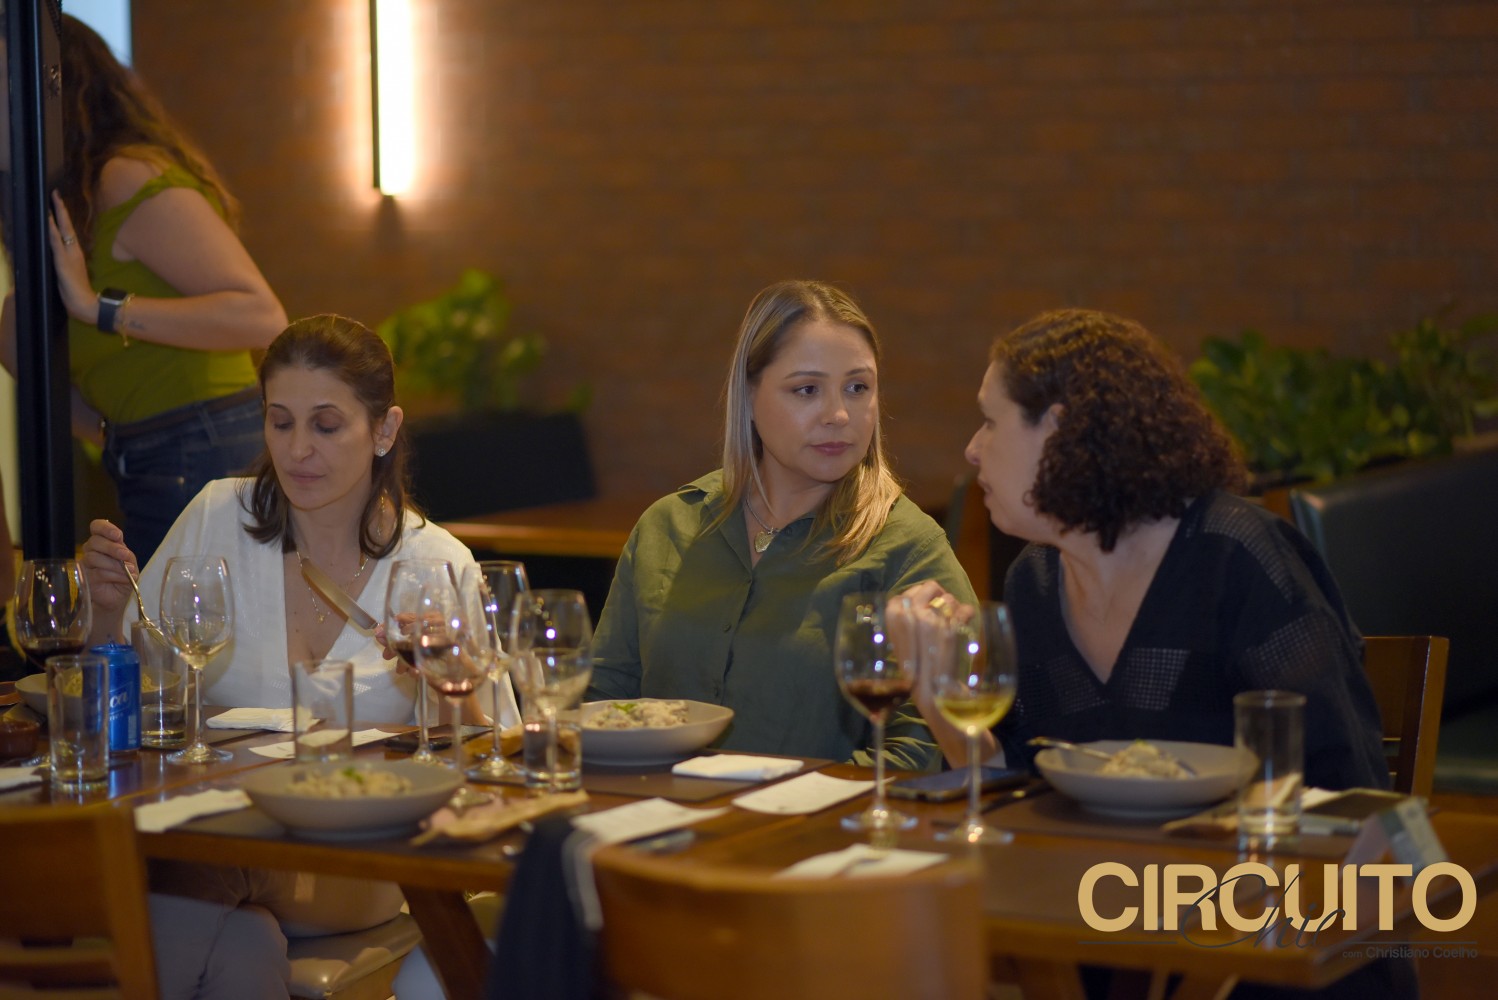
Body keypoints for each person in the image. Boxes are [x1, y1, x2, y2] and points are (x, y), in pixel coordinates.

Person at [906, 308, 1408, 1000]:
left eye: (990, 422)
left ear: (1058, 430)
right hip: (1105, 931)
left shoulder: (1236, 557)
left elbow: (1346, 786)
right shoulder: (1034, 583)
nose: (971, 449)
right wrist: (941, 700)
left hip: (1277, 941)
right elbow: (1016, 795)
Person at [81, 314, 520, 1000]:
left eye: (326, 425)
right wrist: (107, 611)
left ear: (384, 430)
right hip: (217, 833)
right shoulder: (217, 517)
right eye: (279, 422)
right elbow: (128, 691)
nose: (297, 450)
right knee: (242, 945)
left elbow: (498, 767)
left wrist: (446, 685)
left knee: (194, 867)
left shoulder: (436, 564)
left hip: (365, 862)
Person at [587, 279, 976, 768]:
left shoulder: (909, 548)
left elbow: (924, 758)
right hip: (651, 809)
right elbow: (603, 703)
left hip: (824, 817)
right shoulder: (669, 525)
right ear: (749, 396)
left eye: (858, 388)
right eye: (807, 390)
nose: (838, 414)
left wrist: (779, 801)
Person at [0, 15, 287, 567]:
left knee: (181, 618)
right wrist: (113, 435)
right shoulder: (65, 205)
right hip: (146, 452)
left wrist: (99, 309)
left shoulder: (123, 178)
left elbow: (260, 314)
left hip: (207, 441)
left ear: (57, 89)